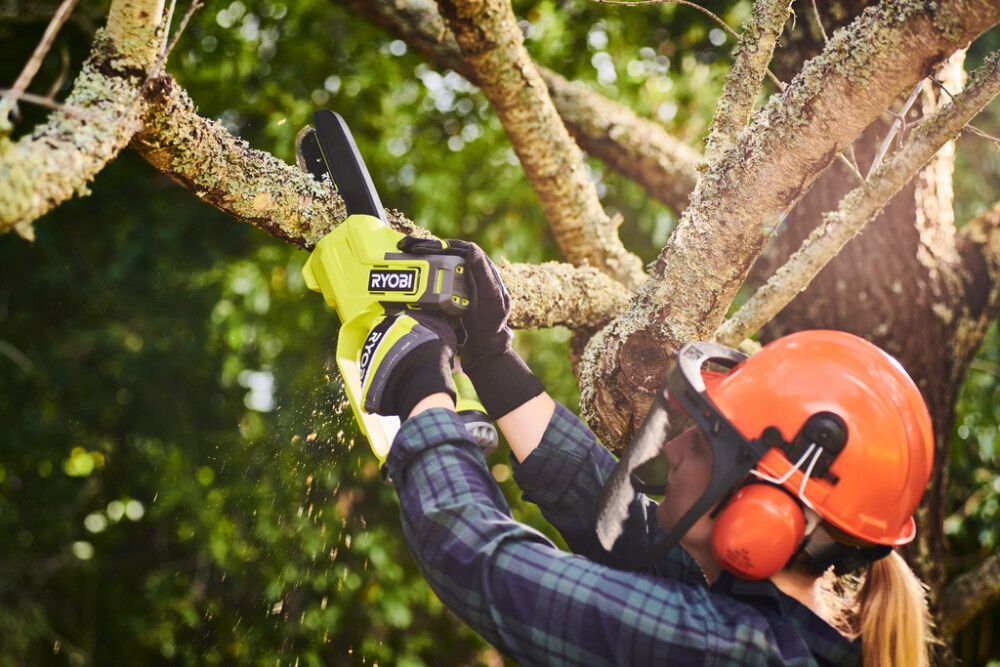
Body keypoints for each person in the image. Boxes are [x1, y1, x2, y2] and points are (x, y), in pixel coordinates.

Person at [363, 238, 935, 666]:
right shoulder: (771, 626)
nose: (677, 449)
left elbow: (478, 559)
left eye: (707, 444)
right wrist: (489, 354)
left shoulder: (720, 650)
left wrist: (422, 387)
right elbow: (618, 528)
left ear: (766, 516)